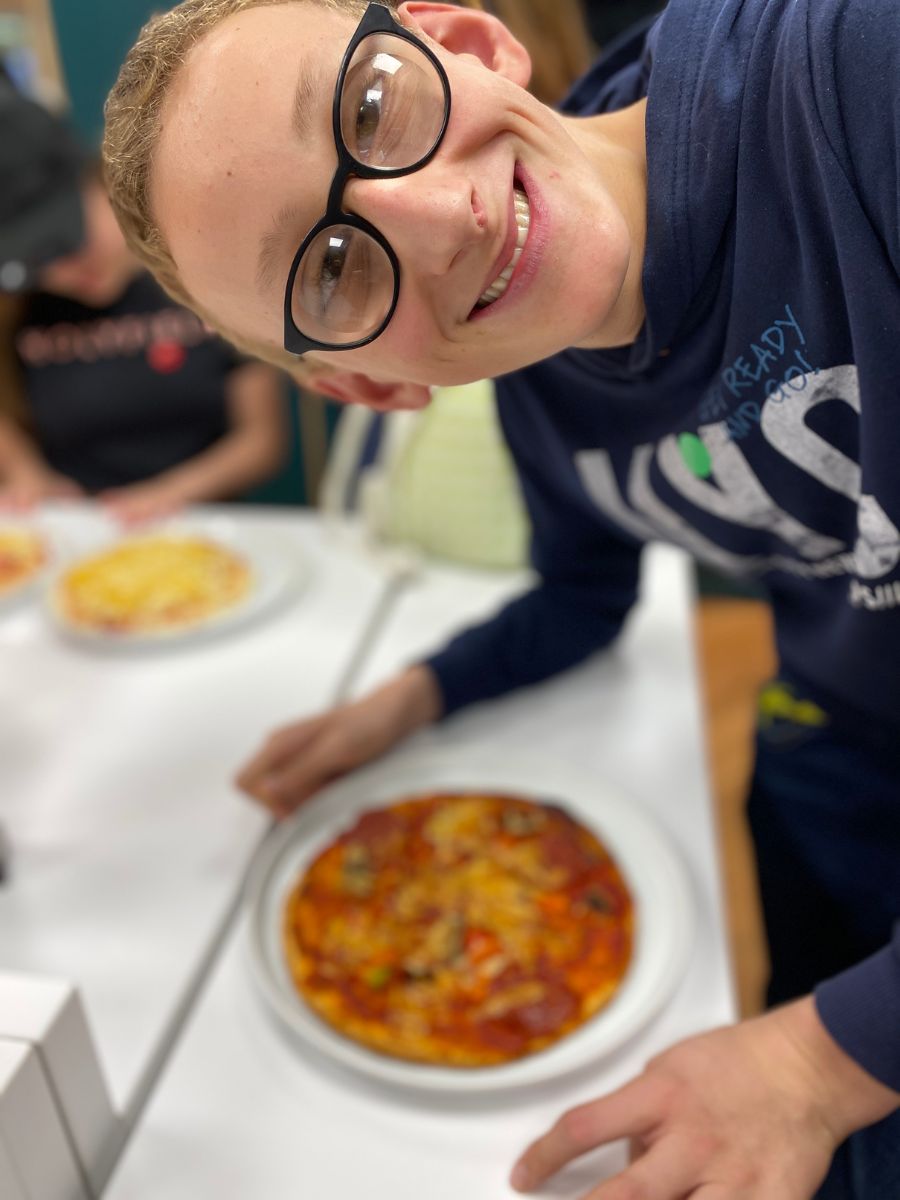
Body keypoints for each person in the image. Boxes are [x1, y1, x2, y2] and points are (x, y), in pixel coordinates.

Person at [103, 1, 900, 1196]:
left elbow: (815, 1062)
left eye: (371, 110)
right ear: (369, 384)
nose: (436, 219)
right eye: (330, 269)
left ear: (467, 42)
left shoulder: (851, 72)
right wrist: (409, 703)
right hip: (840, 730)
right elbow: (583, 593)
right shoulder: (544, 395)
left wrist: (827, 1057)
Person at [0, 66, 287, 524]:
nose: (62, 273)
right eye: (34, 266)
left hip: (209, 530)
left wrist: (160, 499)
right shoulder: (21, 310)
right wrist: (26, 473)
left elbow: (261, 441)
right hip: (72, 532)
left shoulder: (206, 274)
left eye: (66, 243)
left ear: (97, 181)